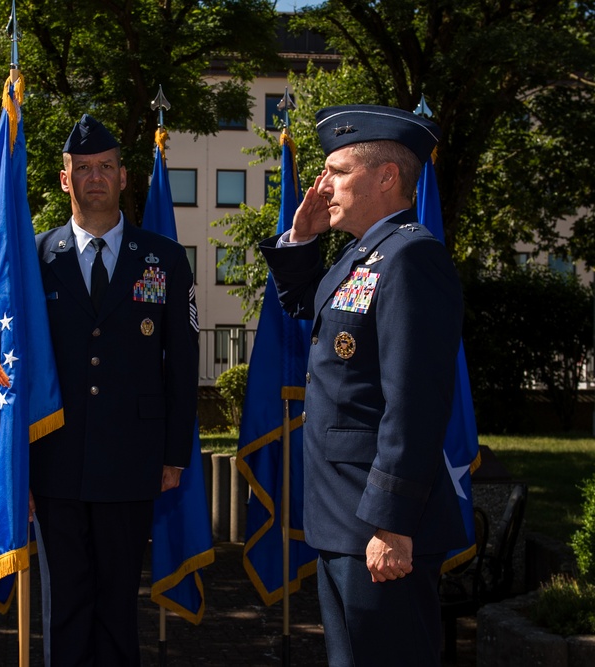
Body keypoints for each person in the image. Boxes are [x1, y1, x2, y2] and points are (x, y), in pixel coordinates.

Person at [259, 104, 467, 666]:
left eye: (337, 170)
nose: (321, 184)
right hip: (343, 516)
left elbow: (415, 404)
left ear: (387, 177)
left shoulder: (410, 257)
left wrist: (392, 525)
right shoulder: (362, 255)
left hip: (379, 523)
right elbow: (307, 307)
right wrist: (301, 238)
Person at [31, 114, 199, 666]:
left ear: (125, 177)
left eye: (105, 167)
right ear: (64, 179)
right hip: (55, 460)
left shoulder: (165, 259)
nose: (95, 177)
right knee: (64, 607)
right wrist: (18, 464)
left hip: (133, 460)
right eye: (83, 169)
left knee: (118, 608)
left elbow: (183, 362)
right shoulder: (35, 258)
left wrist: (175, 454)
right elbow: (19, 365)